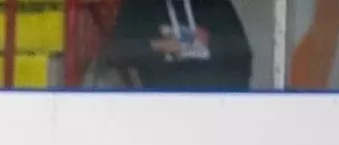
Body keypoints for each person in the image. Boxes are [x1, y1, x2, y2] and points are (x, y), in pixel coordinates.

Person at [105, 0, 252, 89]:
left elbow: (242, 51)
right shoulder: (139, 5)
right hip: (164, 98)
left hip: (216, 96)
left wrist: (209, 42)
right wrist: (160, 45)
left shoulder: (214, 3)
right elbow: (116, 52)